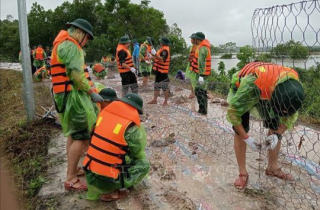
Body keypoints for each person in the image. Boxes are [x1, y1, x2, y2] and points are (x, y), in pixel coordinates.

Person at [226, 62, 305, 190]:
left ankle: (272, 167)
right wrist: (246, 137)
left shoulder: (294, 91)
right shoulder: (250, 86)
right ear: (271, 94)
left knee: (275, 126)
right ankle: (243, 173)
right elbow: (233, 114)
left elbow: (290, 117)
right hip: (245, 87)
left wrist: (277, 133)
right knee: (240, 130)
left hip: (272, 90)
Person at [50, 18, 104, 191]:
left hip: (63, 95)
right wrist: (92, 93)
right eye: (87, 38)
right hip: (72, 96)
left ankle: (73, 169)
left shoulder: (63, 44)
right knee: (82, 135)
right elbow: (76, 75)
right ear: (81, 33)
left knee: (73, 134)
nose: (86, 42)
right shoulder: (71, 46)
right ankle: (71, 179)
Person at [83, 93, 150, 201]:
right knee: (143, 164)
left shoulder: (103, 115)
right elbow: (137, 153)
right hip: (105, 179)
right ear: (136, 110)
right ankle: (111, 191)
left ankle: (101, 186)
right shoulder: (131, 127)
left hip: (89, 171)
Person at [189, 32, 212, 115]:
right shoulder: (203, 47)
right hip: (204, 73)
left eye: (194, 38)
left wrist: (201, 75)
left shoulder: (202, 49)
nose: (193, 40)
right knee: (203, 91)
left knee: (199, 91)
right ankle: (204, 109)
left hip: (202, 74)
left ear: (197, 39)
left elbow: (201, 63)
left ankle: (202, 110)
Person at [148, 37, 171, 106]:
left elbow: (162, 59)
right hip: (158, 70)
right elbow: (158, 58)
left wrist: (155, 55)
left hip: (163, 72)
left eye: (161, 42)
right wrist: (152, 57)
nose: (160, 43)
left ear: (163, 43)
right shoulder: (162, 49)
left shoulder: (165, 50)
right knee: (156, 85)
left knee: (165, 87)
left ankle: (165, 101)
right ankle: (154, 100)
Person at [186, 33, 198, 99]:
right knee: (191, 79)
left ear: (195, 39)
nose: (191, 40)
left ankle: (195, 93)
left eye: (192, 39)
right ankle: (192, 92)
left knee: (195, 80)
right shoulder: (192, 47)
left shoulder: (199, 47)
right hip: (191, 65)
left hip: (195, 66)